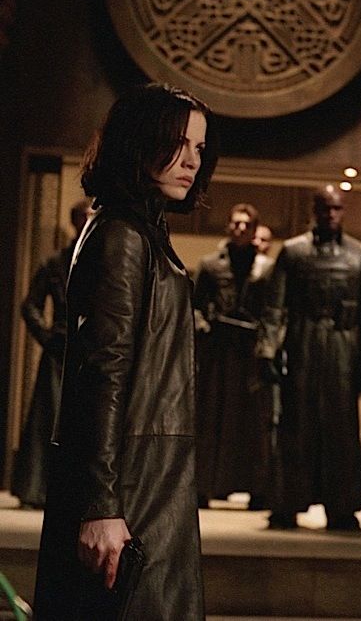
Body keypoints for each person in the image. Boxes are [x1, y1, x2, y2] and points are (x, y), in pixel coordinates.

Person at [34, 83, 218, 618]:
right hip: (130, 483)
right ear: (139, 142)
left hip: (149, 473)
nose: (192, 161)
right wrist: (101, 505)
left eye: (199, 147)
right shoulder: (122, 235)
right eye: (178, 143)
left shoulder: (143, 232)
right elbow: (102, 374)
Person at [259, 186, 361, 531]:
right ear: (314, 210)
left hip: (343, 347)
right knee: (296, 424)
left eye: (336, 208)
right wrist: (268, 349)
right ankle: (286, 503)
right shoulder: (293, 251)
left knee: (342, 429)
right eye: (324, 208)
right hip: (303, 344)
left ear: (343, 210)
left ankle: (342, 507)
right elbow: (275, 306)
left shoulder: (360, 254)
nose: (330, 215)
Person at [11, 199, 92, 509]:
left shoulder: (103, 259)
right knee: (48, 420)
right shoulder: (55, 263)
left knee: (87, 421)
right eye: (84, 217)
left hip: (91, 351)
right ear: (75, 222)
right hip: (60, 351)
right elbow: (29, 305)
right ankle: (37, 489)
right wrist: (47, 338)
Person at [193, 203, 275, 509]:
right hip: (218, 352)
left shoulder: (267, 268)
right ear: (228, 226)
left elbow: (274, 311)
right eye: (236, 223)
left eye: (246, 224)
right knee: (210, 419)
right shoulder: (210, 264)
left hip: (251, 352)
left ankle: (257, 488)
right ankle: (203, 486)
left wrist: (268, 345)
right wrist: (202, 325)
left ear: (254, 229)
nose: (240, 228)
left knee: (253, 423)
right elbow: (194, 305)